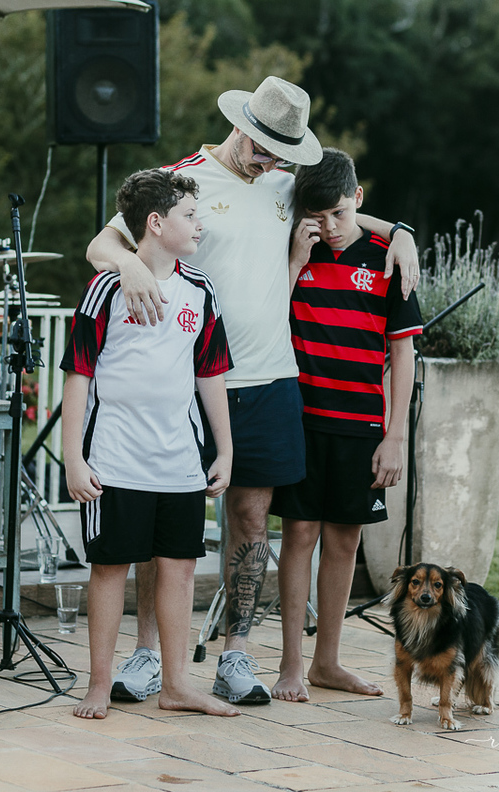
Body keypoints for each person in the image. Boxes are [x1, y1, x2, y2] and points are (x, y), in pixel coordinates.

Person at [86, 76, 421, 704]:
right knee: (169, 522)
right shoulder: (182, 181)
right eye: (264, 149)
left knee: (250, 518)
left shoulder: (285, 180)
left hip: (269, 379)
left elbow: (340, 208)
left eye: (282, 155)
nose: (271, 163)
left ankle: (236, 655)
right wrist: (129, 262)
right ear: (243, 128)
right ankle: (148, 654)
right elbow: (102, 241)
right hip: (189, 382)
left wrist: (396, 230)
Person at [62, 169, 239, 720]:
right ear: (156, 223)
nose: (200, 225)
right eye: (190, 215)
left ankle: (178, 683)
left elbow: (210, 373)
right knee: (111, 568)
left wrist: (225, 449)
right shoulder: (105, 289)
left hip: (180, 462)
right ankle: (97, 683)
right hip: (115, 460)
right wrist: (74, 457)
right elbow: (78, 375)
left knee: (180, 568)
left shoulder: (201, 289)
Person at [270, 148, 422, 702]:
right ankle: (290, 664)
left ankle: (326, 662)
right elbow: (267, 314)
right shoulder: (295, 252)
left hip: (360, 426)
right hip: (300, 419)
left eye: (339, 213)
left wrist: (395, 435)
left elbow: (401, 354)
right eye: (319, 217)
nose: (331, 228)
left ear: (359, 199)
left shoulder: (387, 258)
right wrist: (294, 255)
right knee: (299, 534)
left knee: (343, 540)